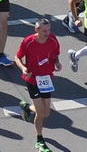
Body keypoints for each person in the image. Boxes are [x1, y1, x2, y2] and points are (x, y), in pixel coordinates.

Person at [15, 16, 62, 149]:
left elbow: (55, 54)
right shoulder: (28, 42)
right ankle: (39, 139)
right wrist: (23, 68)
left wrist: (57, 63)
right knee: (41, 114)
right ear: (37, 29)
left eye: (49, 30)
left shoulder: (53, 39)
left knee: (46, 113)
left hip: (46, 79)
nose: (47, 33)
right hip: (33, 79)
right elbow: (17, 57)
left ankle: (27, 108)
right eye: (44, 31)